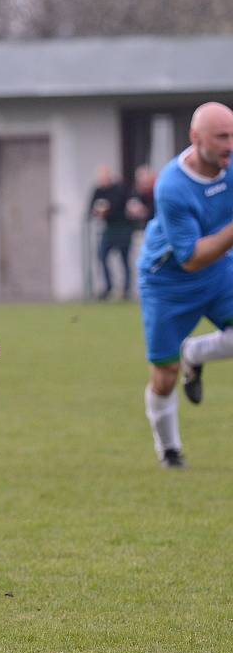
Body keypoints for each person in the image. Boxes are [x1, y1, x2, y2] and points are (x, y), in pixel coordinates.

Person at [138, 102, 233, 469]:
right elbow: (191, 257)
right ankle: (170, 450)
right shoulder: (172, 186)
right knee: (165, 376)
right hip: (167, 282)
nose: (230, 145)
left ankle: (195, 352)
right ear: (196, 138)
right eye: (222, 137)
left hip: (218, 271)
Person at [89, 165, 135, 300]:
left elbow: (121, 205)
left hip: (123, 228)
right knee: (102, 256)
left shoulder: (119, 189)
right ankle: (108, 287)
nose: (103, 179)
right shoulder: (98, 190)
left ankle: (126, 290)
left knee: (124, 259)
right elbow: (91, 207)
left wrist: (108, 210)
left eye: (105, 176)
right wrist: (96, 212)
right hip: (109, 229)